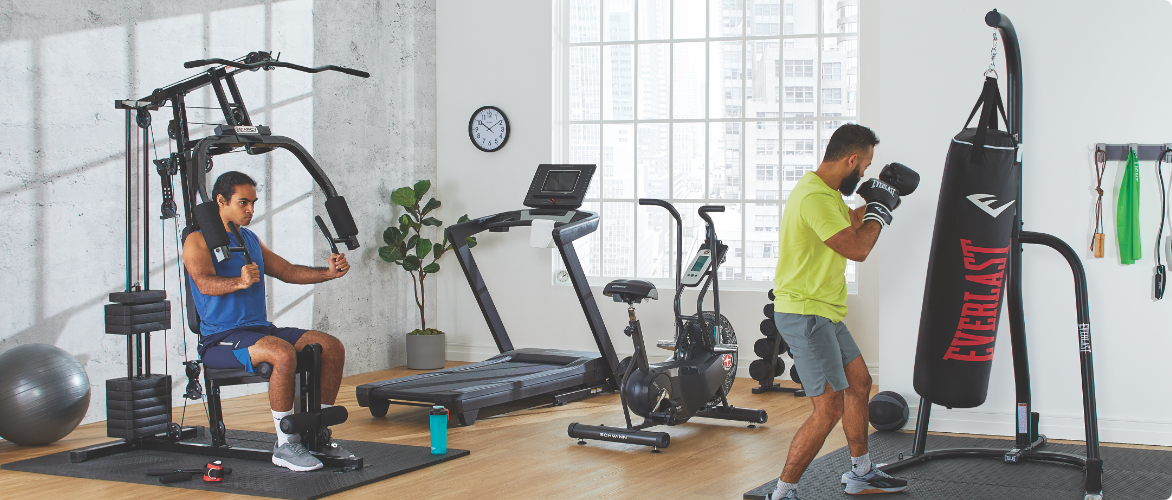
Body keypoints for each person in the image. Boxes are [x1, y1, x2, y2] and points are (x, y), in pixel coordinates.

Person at [766, 124, 909, 499]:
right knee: (827, 408)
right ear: (851, 159)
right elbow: (857, 248)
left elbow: (851, 222)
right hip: (805, 314)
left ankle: (861, 472)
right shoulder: (813, 197)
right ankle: (783, 492)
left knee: (859, 384)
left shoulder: (826, 193)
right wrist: (880, 211)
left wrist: (883, 199)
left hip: (823, 311)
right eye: (865, 167)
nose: (865, 174)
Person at [183, 171, 353, 472]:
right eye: (243, 202)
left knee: (330, 346)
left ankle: (317, 432)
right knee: (281, 352)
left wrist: (328, 273)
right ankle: (286, 445)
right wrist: (238, 282)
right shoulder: (197, 240)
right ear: (221, 201)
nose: (250, 209)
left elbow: (287, 271)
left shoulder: (248, 238)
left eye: (254, 203)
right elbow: (204, 283)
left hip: (259, 330)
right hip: (219, 339)